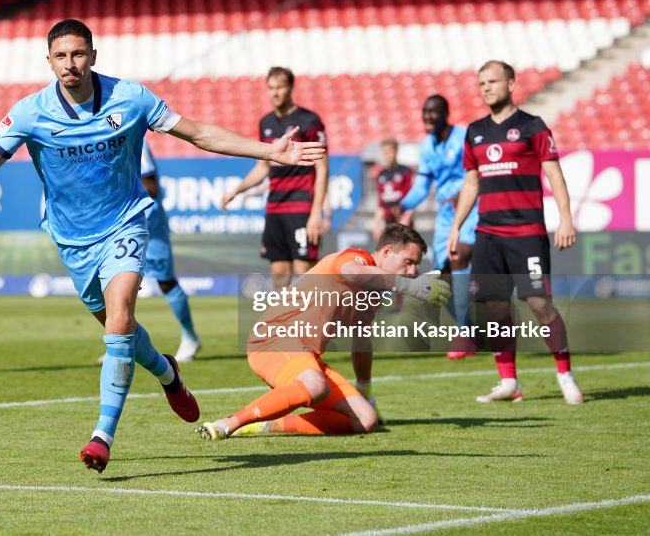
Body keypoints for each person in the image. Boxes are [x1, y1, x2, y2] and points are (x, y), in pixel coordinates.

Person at [0, 19, 325, 473]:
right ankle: (168, 372)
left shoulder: (131, 98)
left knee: (122, 315)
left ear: (93, 54)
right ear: (48, 61)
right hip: (72, 241)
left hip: (126, 223)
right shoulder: (30, 112)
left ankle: (102, 435)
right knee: (117, 329)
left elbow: (198, 133)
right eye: (61, 56)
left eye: (78, 54)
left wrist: (269, 152)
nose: (71, 64)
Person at [197, 224, 449, 440]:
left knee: (365, 418)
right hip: (274, 338)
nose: (413, 271)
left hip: (305, 354)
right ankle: (228, 424)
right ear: (387, 251)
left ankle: (263, 424)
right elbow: (354, 273)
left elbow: (361, 340)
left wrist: (366, 389)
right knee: (316, 385)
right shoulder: (356, 258)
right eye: (409, 262)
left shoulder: (374, 295)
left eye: (415, 266)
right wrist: (408, 285)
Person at [449, 60, 582, 405]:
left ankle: (565, 374)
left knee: (539, 303)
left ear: (510, 83)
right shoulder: (474, 131)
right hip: (488, 234)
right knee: (494, 309)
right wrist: (456, 226)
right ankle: (509, 382)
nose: (486, 88)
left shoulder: (532, 126)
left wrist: (565, 218)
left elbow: (554, 175)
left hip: (526, 233)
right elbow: (471, 181)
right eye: (481, 83)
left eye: (492, 81)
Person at [221, 67, 329, 288]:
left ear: (290, 88)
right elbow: (263, 167)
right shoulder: (265, 123)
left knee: (303, 269)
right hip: (275, 207)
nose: (275, 93)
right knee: (278, 272)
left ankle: (315, 320)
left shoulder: (309, 121)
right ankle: (284, 322)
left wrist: (317, 212)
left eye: (280, 87)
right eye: (271, 88)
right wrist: (236, 190)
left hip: (301, 207)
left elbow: (322, 168)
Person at [397, 96, 480, 359]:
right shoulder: (428, 146)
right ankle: (472, 330)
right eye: (425, 113)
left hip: (471, 208)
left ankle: (465, 335)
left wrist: (466, 194)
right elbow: (422, 185)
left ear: (446, 113)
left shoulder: (464, 136)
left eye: (433, 112)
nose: (428, 117)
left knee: (459, 256)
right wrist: (401, 206)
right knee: (442, 281)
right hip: (445, 216)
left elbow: (481, 171)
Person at [141, 139, 201, 362]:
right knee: (115, 281)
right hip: (118, 223)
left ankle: (190, 336)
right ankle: (121, 343)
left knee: (165, 281)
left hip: (147, 221)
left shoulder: (132, 137)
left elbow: (151, 187)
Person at [372, 138, 413, 241]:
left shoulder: (405, 172)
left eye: (390, 152)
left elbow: (412, 198)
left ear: (396, 151)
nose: (387, 155)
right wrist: (376, 225)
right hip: (388, 221)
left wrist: (406, 218)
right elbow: (381, 202)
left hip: (402, 219)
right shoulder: (381, 175)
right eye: (385, 152)